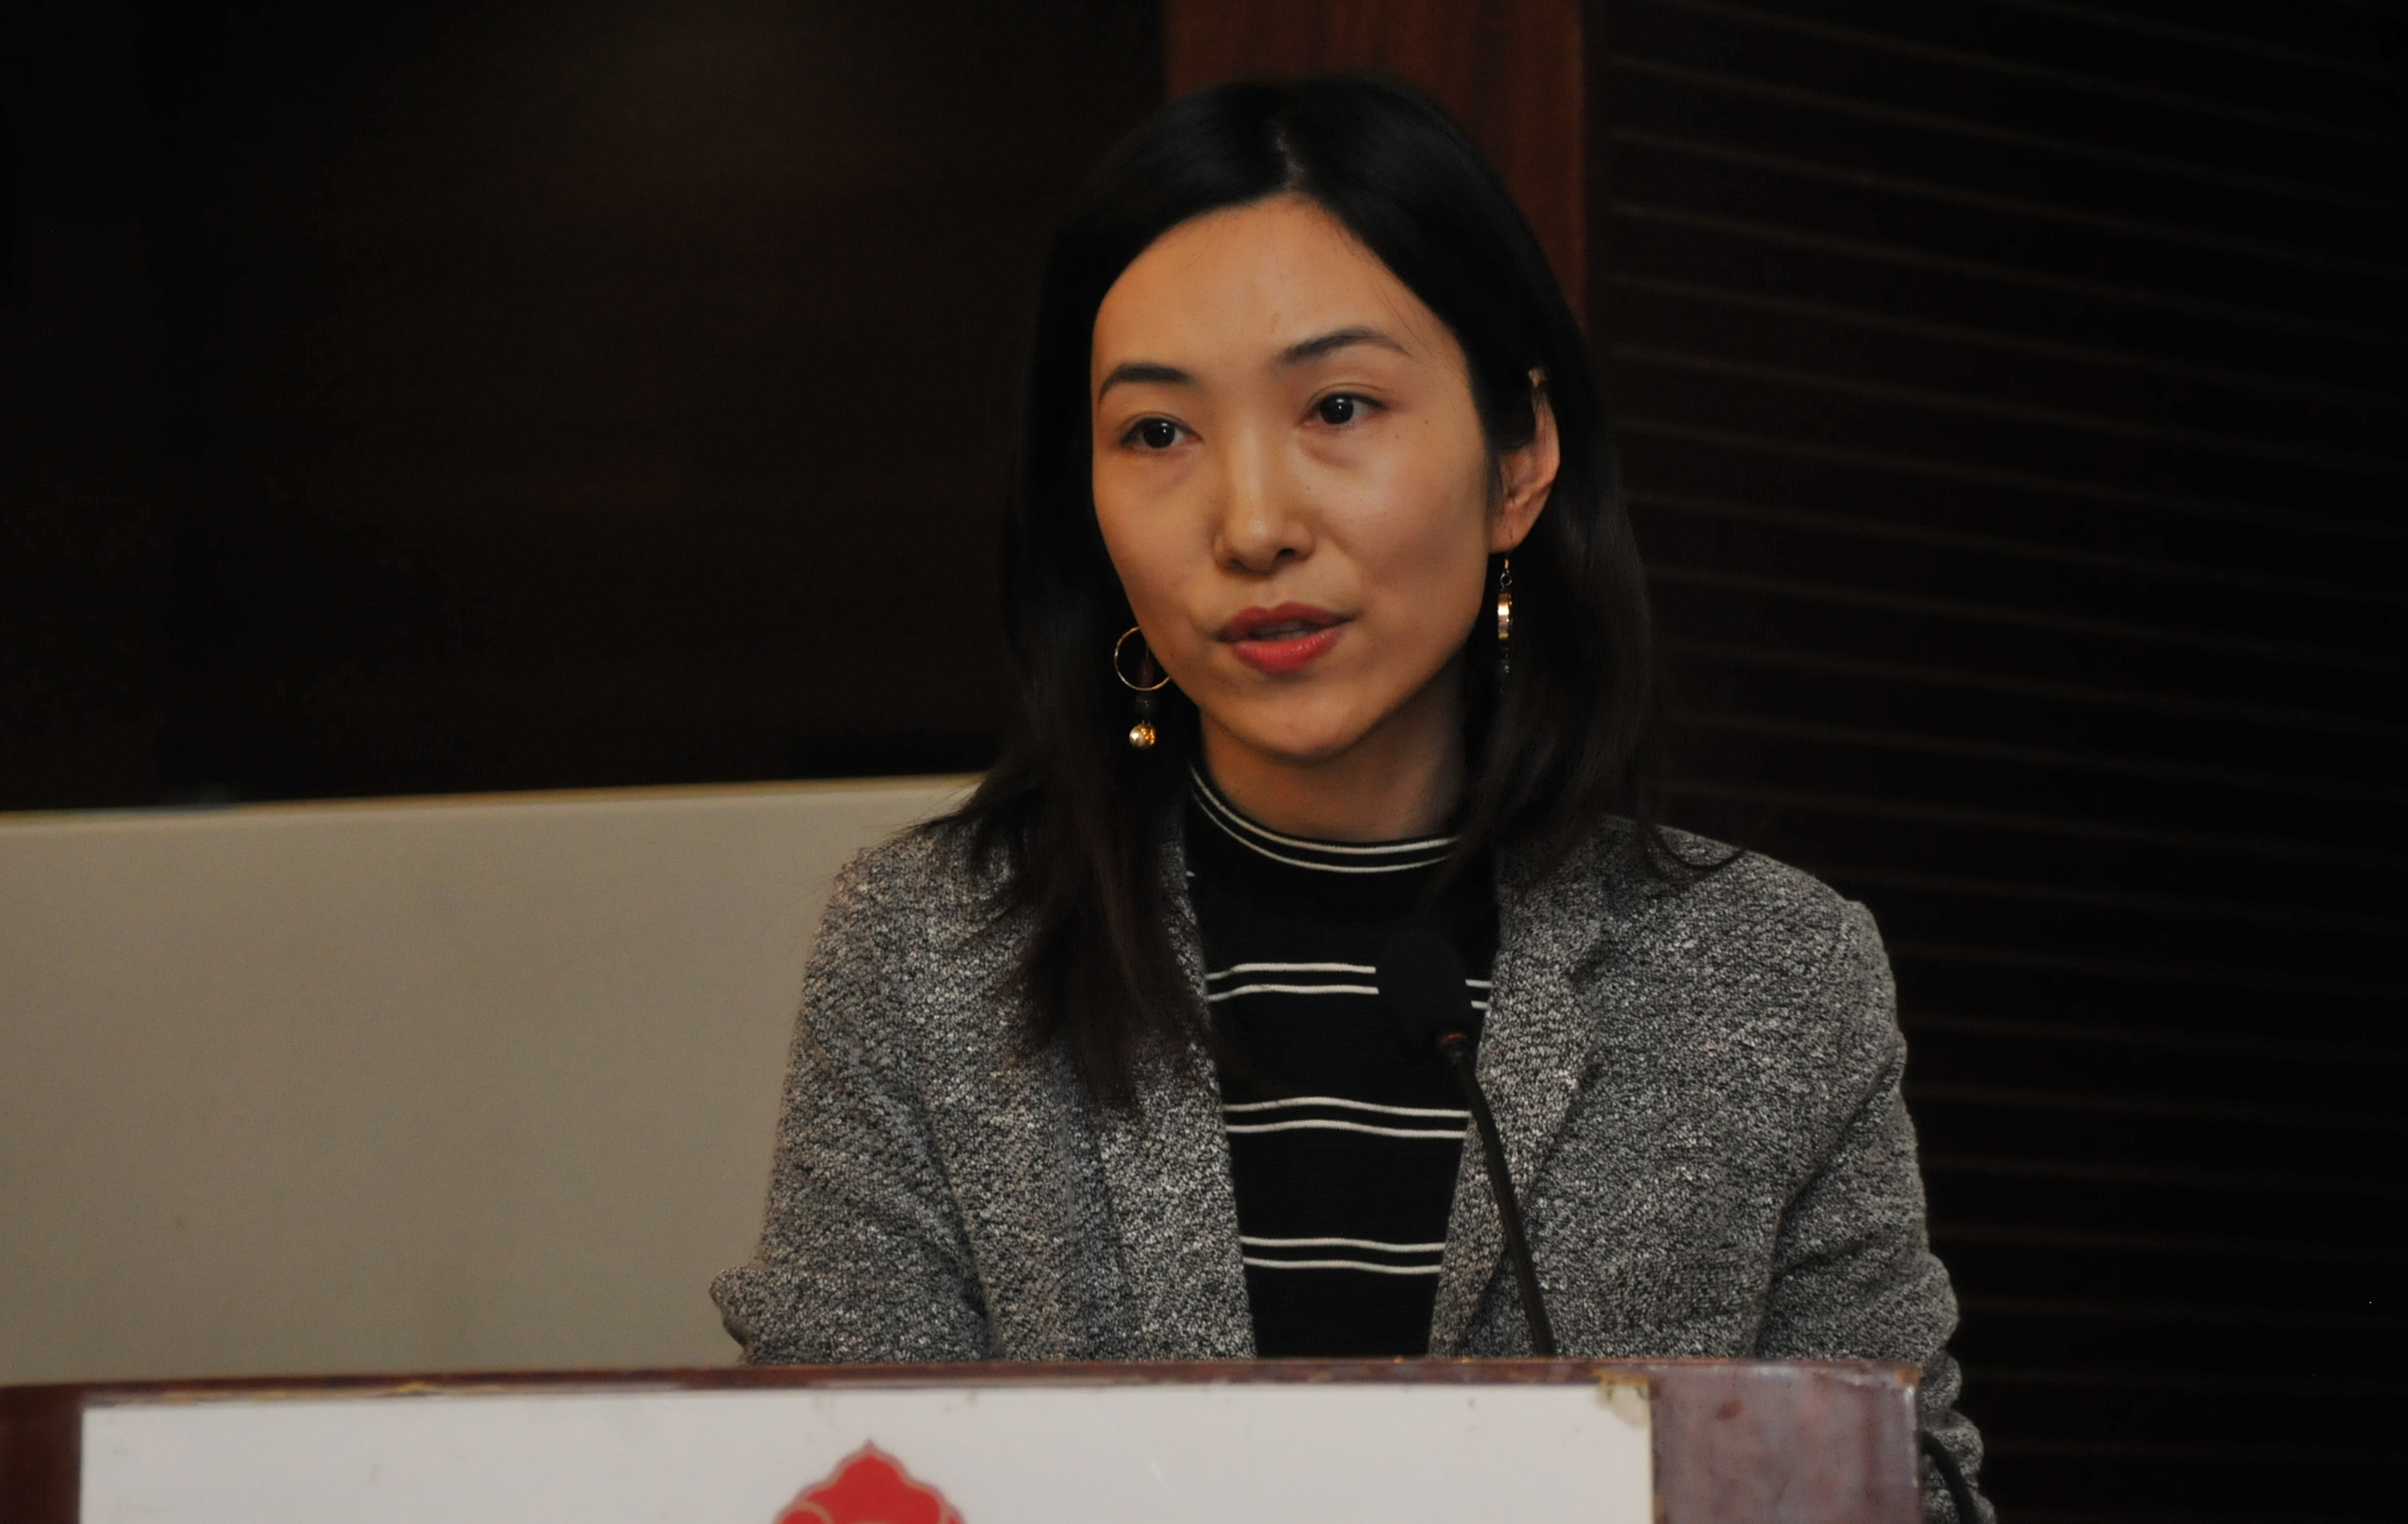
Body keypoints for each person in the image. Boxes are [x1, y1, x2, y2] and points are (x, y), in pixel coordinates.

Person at [712, 75, 1990, 1521]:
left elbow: (1907, 1495)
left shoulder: (1768, 975)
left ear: (1519, 459)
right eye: (1157, 434)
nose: (1253, 525)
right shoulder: (931, 950)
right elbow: (825, 1479)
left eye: (1338, 407)